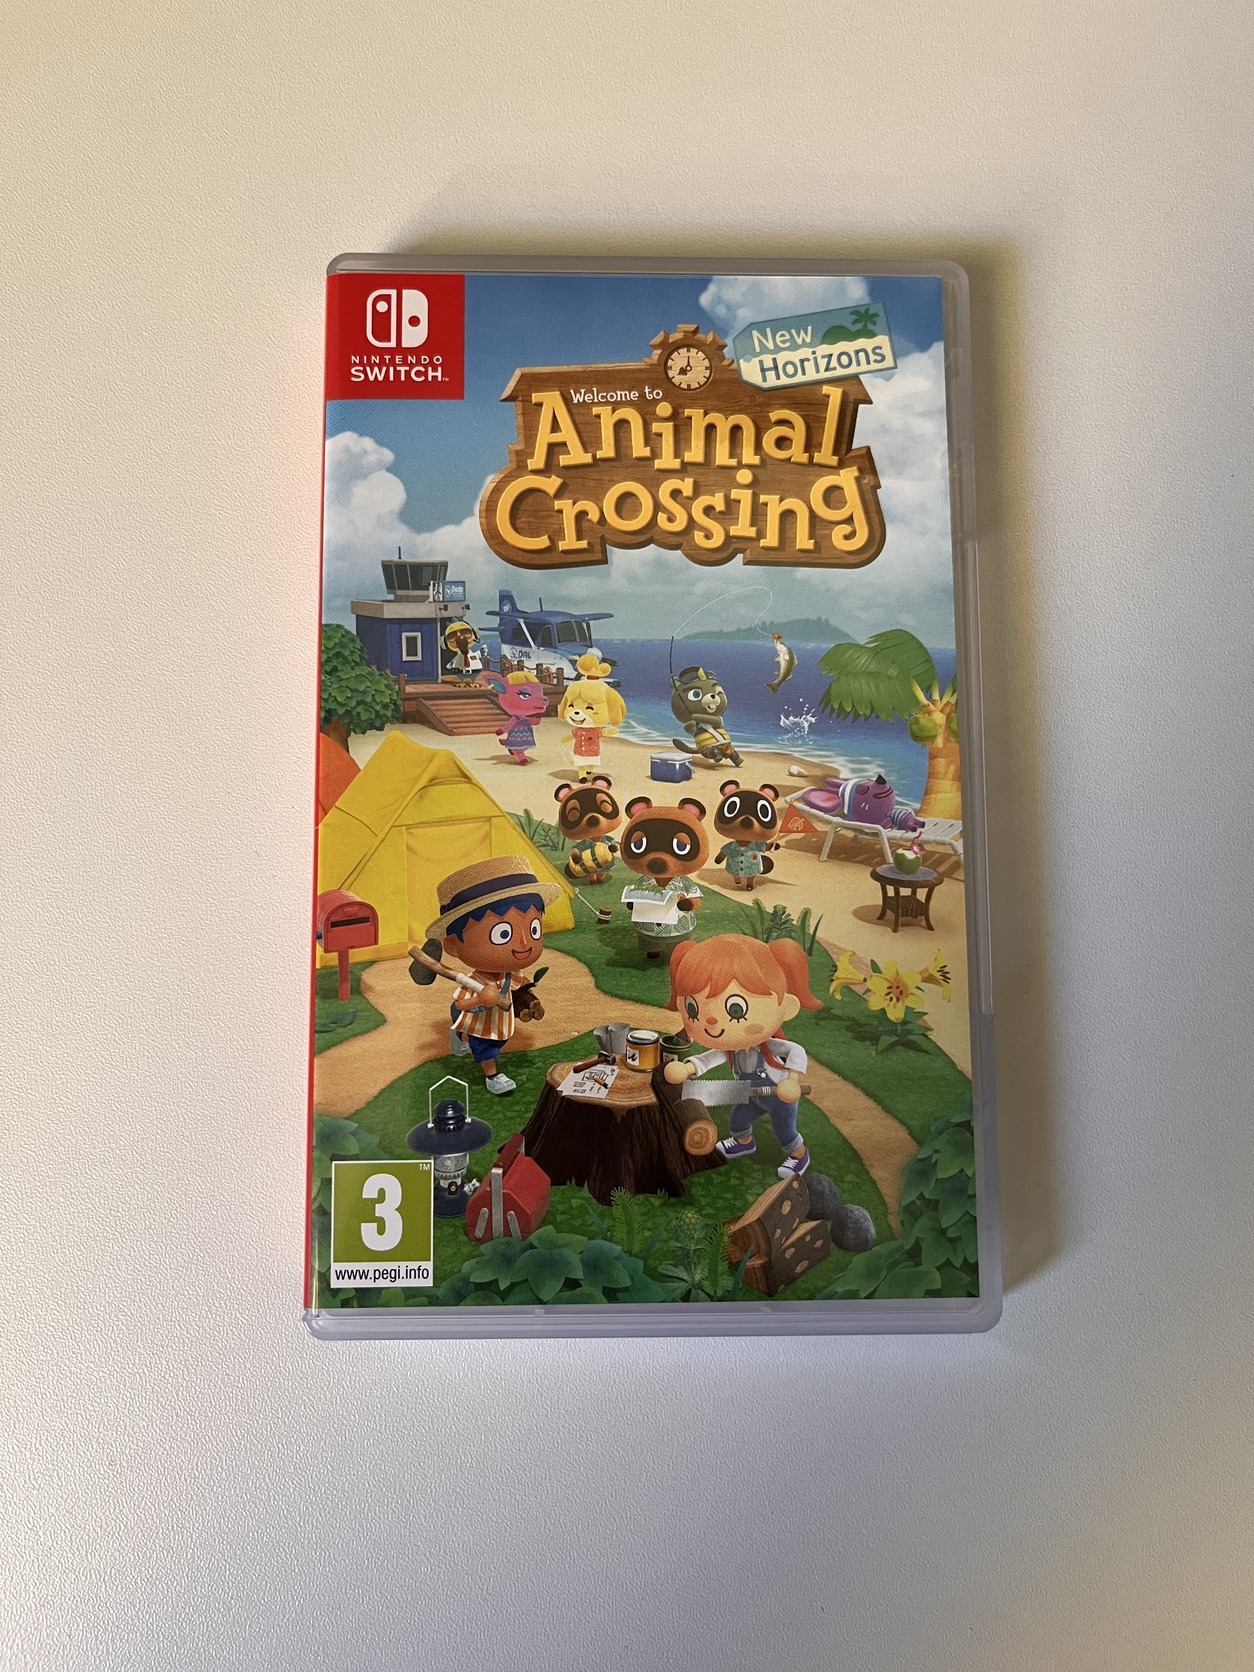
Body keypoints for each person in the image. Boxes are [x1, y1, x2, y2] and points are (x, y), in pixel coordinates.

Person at [663, 933, 823, 1178]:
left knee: (785, 1132)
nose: (712, 1021)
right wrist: (688, 1068)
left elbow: (796, 1050)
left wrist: (792, 1080)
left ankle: (800, 1155)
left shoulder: (768, 1045)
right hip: (751, 1093)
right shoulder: (733, 1046)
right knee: (738, 1120)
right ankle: (744, 1142)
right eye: (693, 1009)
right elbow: (711, 1057)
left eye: (736, 1010)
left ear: (787, 1007)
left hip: (779, 1096)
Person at [422, 857, 559, 1095]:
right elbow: (461, 1003)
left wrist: (527, 991)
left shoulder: (511, 973)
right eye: (503, 934)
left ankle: (458, 1032)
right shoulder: (475, 981)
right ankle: (492, 1076)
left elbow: (518, 983)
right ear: (453, 945)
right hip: (480, 1023)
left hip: (500, 1021)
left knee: (497, 1040)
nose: (523, 944)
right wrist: (480, 999)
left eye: (534, 929)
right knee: (486, 1047)